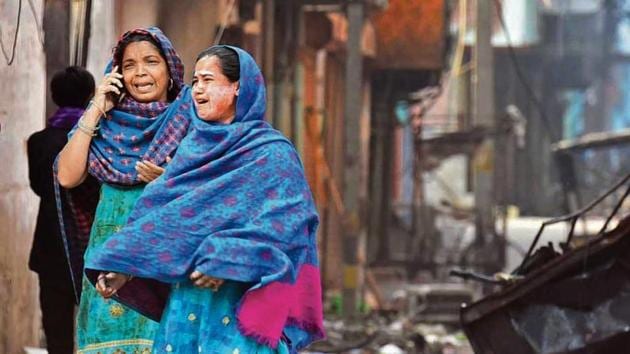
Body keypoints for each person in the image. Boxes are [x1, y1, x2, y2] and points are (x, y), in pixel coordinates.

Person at [85, 46, 325, 354]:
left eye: (208, 80)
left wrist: (229, 256)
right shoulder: (192, 149)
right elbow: (165, 216)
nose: (198, 89)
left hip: (239, 308)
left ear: (238, 87)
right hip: (186, 306)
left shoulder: (272, 153)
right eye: (196, 81)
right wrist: (126, 265)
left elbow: (289, 225)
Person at [56, 27, 193, 354]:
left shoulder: (191, 119)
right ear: (117, 73)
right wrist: (97, 107)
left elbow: (209, 195)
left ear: (170, 69)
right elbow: (67, 176)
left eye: (151, 61)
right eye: (129, 65)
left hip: (163, 268)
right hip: (106, 263)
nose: (140, 73)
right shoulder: (106, 122)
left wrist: (168, 180)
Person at [27, 66, 95, 354]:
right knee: (95, 328)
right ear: (91, 96)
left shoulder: (39, 141)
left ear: (54, 96)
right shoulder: (94, 138)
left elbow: (38, 187)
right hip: (90, 244)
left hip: (51, 247)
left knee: (57, 334)